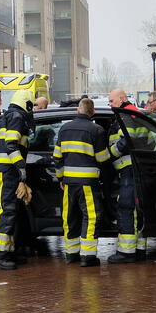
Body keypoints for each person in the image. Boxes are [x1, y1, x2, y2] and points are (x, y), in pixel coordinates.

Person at [53, 98, 110, 267]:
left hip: (69, 183)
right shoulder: (96, 130)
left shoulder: (64, 129)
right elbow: (103, 158)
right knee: (91, 216)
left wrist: (61, 178)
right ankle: (88, 257)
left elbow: (57, 157)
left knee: (70, 216)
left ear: (78, 110)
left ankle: (71, 254)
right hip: (88, 182)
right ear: (92, 112)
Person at [0, 90, 35, 270]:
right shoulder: (16, 117)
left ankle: (8, 251)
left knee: (10, 211)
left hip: (3, 170)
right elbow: (11, 144)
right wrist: (21, 169)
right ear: (26, 103)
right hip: (7, 171)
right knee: (6, 211)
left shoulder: (6, 117)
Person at [106, 89, 151, 263]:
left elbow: (127, 140)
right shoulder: (135, 113)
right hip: (138, 168)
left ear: (121, 99)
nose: (110, 104)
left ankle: (126, 253)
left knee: (126, 208)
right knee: (137, 210)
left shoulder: (125, 115)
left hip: (128, 169)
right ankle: (139, 249)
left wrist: (110, 154)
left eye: (111, 101)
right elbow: (150, 141)